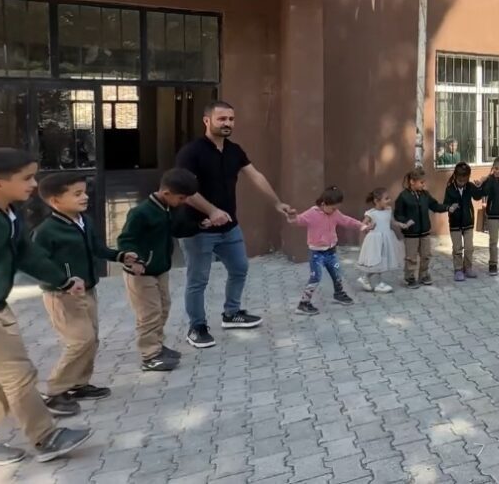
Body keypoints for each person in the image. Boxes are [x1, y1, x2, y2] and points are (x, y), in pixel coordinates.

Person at [0, 149, 91, 470]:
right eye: (27, 178)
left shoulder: (9, 214)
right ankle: (46, 438)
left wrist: (63, 280)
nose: (34, 184)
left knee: (9, 378)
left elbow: (28, 256)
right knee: (18, 375)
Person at [175, 101, 295, 349]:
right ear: (207, 121)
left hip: (229, 227)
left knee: (239, 268)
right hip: (198, 229)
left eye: (231, 119)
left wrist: (276, 203)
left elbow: (256, 176)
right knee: (198, 280)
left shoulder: (234, 150)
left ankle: (231, 313)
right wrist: (212, 210)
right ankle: (197, 327)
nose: (227, 123)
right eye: (222, 119)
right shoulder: (191, 152)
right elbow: (184, 190)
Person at [32, 173, 141, 412]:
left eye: (84, 192)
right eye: (77, 194)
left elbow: (97, 248)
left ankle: (79, 384)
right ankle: (54, 391)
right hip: (61, 296)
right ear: (55, 201)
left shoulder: (85, 221)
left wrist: (120, 256)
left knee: (91, 339)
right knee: (79, 341)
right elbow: (36, 264)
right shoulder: (46, 231)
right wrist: (63, 282)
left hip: (88, 291)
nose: (85, 197)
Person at [117, 168, 198, 372]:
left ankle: (157, 345)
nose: (184, 202)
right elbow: (126, 240)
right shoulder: (141, 213)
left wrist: (200, 225)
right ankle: (149, 355)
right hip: (140, 272)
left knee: (163, 307)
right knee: (149, 313)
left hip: (160, 269)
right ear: (166, 193)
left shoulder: (168, 208)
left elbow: (177, 230)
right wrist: (134, 260)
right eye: (181, 198)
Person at [287, 187, 367, 316]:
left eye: (337, 208)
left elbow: (347, 220)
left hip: (331, 252)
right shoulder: (312, 213)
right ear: (323, 204)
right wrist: (293, 217)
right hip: (317, 254)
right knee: (315, 277)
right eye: (333, 208)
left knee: (337, 273)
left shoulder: (335, 213)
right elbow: (299, 221)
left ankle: (339, 294)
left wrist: (362, 226)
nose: (335, 211)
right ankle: (303, 304)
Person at [393, 168, 456, 288]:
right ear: (412, 182)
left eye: (424, 182)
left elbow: (434, 205)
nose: (424, 185)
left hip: (425, 232)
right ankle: (410, 277)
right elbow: (398, 214)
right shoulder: (403, 197)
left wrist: (448, 208)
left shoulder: (425, 195)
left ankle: (424, 275)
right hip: (411, 234)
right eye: (421, 182)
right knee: (411, 257)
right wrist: (405, 222)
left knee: (426, 255)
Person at [358, 188, 404, 293]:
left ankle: (367, 278)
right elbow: (362, 226)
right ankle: (377, 283)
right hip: (376, 241)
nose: (389, 200)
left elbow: (392, 222)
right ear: (376, 201)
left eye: (389, 198)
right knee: (378, 261)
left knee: (383, 261)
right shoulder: (371, 213)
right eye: (386, 198)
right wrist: (368, 227)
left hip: (387, 239)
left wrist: (401, 224)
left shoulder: (388, 210)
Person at [444, 162, 484, 281]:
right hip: (455, 224)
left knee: (469, 248)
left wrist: (479, 187)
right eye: (460, 181)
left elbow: (477, 196)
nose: (462, 183)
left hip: (468, 222)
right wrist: (450, 207)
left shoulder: (470, 186)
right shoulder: (450, 189)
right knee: (457, 248)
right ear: (455, 176)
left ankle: (468, 268)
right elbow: (445, 204)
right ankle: (458, 269)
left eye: (465, 180)